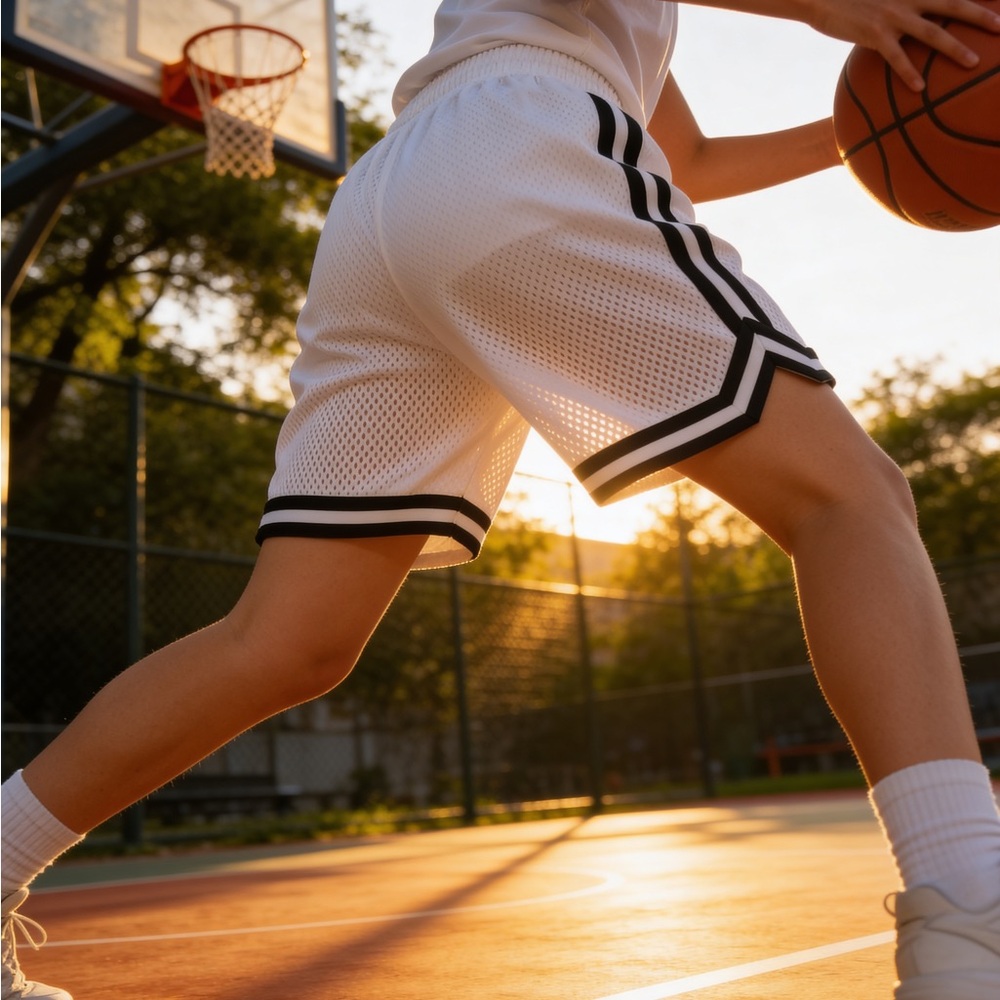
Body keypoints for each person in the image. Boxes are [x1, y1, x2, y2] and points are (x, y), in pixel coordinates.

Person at [4, 1, 1000, 997]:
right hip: (519, 133)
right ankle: (968, 909)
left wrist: (875, 126)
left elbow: (687, 159)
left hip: (397, 194)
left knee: (284, 639)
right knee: (849, 499)